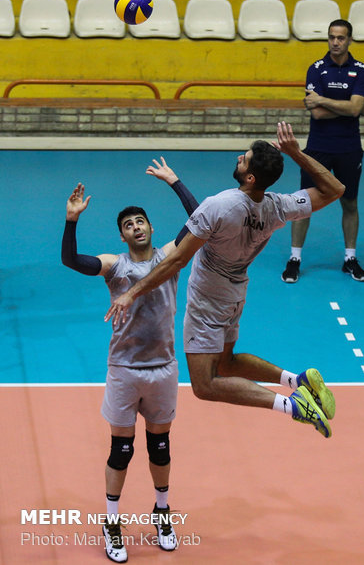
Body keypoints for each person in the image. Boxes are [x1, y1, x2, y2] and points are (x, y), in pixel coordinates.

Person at [104, 122, 345, 442]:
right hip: (235, 294)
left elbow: (177, 260)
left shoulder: (219, 205)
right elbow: (334, 189)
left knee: (205, 386)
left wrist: (131, 292)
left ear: (250, 177)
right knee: (227, 363)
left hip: (207, 301)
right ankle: (296, 381)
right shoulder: (278, 205)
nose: (238, 158)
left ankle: (292, 406)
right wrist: (296, 153)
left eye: (243, 159)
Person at [61, 158, 199, 563]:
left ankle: (161, 511)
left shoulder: (171, 256)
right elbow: (72, 261)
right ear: (122, 236)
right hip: (124, 370)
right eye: (128, 224)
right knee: (121, 450)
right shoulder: (115, 266)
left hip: (163, 368)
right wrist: (71, 221)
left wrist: (175, 181)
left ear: (151, 229)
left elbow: (201, 221)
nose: (136, 226)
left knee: (160, 445)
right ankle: (112, 522)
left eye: (141, 221)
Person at [281, 19, 364, 284]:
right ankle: (295, 259)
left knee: (350, 203)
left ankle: (350, 259)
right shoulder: (316, 69)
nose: (335, 42)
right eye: (331, 37)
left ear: (349, 40)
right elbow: (318, 113)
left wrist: (324, 99)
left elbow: (354, 109)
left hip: (349, 148)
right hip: (317, 149)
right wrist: (349, 106)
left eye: (341, 38)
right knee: (303, 204)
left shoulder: (361, 70)